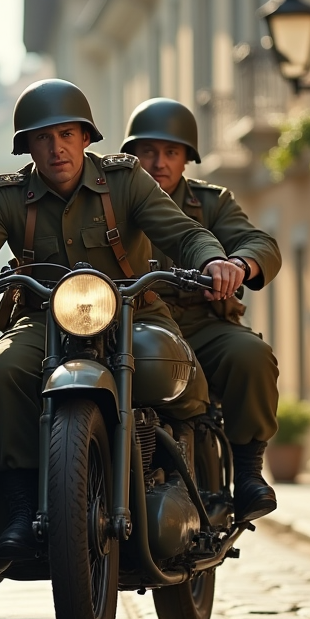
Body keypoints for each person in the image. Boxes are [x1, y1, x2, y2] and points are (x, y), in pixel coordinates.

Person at [0, 78, 244, 559]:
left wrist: (212, 260)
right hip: (46, 319)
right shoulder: (7, 196)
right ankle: (19, 503)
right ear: (27, 146)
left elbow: (183, 232)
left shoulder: (126, 180)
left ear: (86, 137)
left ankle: (192, 474)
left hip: (135, 311)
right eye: (42, 138)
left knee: (174, 371)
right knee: (5, 370)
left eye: (66, 135)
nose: (56, 149)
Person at [121, 97, 282, 522]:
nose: (159, 162)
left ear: (187, 159)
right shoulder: (110, 200)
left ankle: (248, 471)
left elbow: (259, 242)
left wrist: (239, 265)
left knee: (251, 356)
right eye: (148, 151)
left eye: (171, 152)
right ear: (130, 155)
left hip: (200, 326)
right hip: (126, 325)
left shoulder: (211, 204)